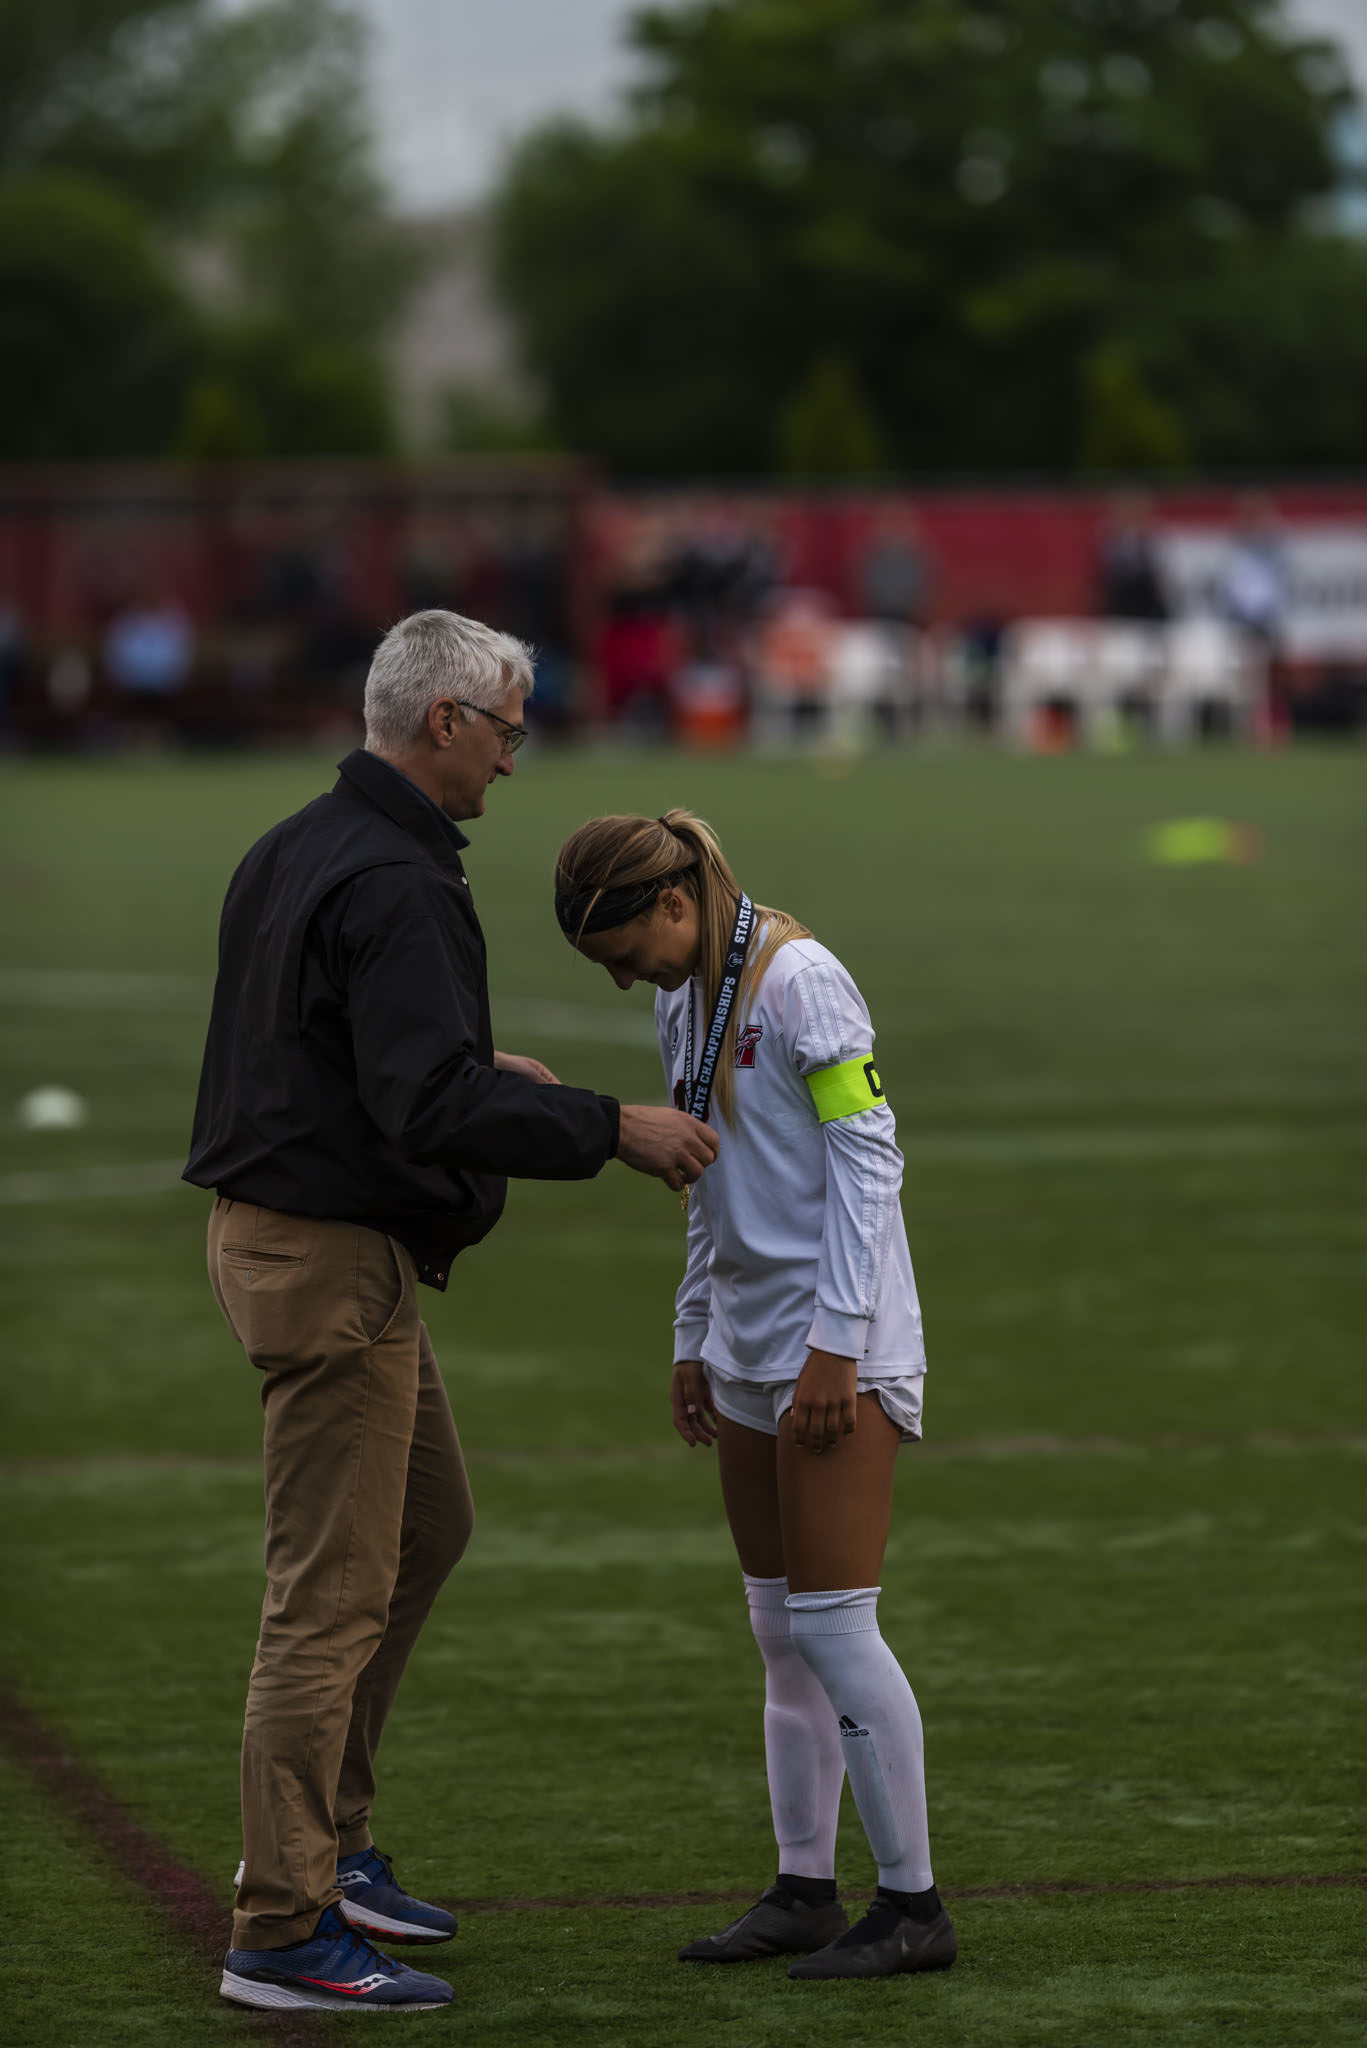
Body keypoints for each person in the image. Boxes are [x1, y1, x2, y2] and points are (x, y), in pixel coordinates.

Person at [184, 610, 717, 2015]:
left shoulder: (303, 841)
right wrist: (607, 1127)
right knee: (324, 1602)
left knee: (428, 1527)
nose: (513, 758)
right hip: (327, 1263)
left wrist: (480, 1061)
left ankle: (338, 1850)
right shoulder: (399, 878)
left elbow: (330, 1046)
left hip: (285, 1237)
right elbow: (421, 1106)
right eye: (507, 729)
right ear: (442, 724)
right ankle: (282, 1929)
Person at [553, 810, 954, 1982]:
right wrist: (693, 1331)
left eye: (622, 948)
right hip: (741, 1345)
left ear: (671, 904)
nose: (624, 976)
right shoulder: (688, 991)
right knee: (777, 1628)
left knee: (834, 1623)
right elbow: (704, 1170)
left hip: (836, 1347)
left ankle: (914, 1905)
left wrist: (836, 1342)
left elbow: (868, 1157)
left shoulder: (800, 978)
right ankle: (798, 1888)